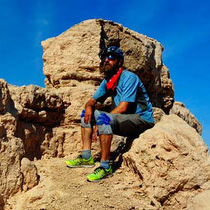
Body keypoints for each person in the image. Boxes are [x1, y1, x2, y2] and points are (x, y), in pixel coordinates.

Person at [65, 46, 155, 181]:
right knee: (86, 114)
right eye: (104, 58)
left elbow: (123, 107)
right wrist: (89, 107)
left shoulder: (129, 77)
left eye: (111, 57)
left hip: (142, 120)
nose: (106, 60)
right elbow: (91, 101)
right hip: (124, 119)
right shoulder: (108, 81)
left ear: (119, 62)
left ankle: (105, 166)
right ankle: (86, 157)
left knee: (104, 118)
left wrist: (101, 120)